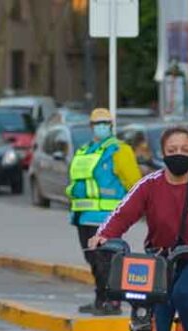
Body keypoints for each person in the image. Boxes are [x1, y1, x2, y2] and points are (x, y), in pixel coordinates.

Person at [89, 126, 188, 331]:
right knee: (154, 318)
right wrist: (104, 236)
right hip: (160, 264)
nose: (178, 154)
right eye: (172, 150)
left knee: (183, 294)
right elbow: (123, 212)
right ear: (162, 153)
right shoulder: (149, 185)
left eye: (185, 149)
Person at [67, 108, 141, 316]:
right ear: (91, 127)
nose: (101, 127)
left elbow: (134, 183)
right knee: (93, 260)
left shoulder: (119, 150)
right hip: (83, 216)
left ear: (111, 125)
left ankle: (112, 302)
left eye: (105, 123)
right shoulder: (85, 150)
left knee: (105, 261)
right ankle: (101, 300)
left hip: (107, 217)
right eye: (97, 123)